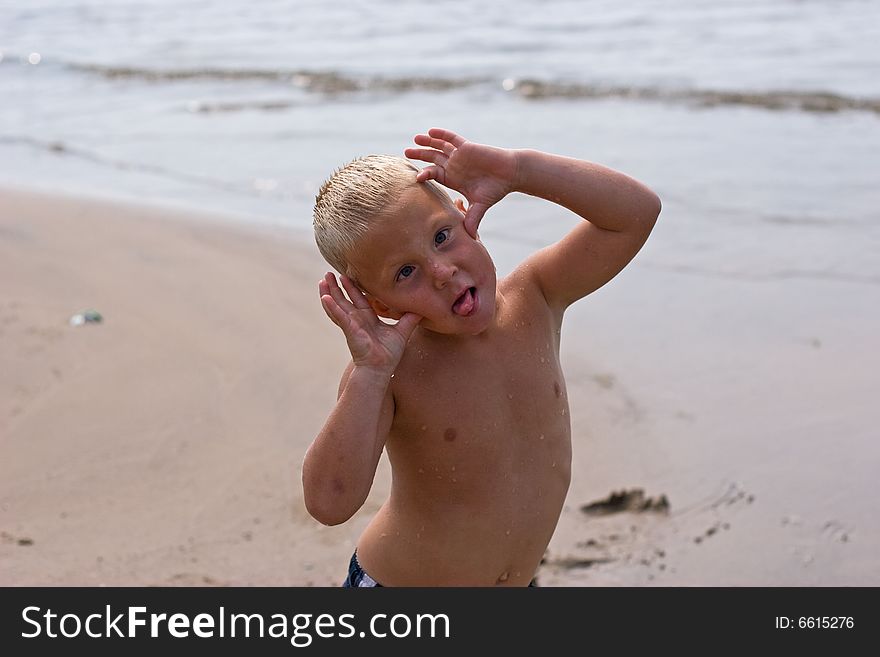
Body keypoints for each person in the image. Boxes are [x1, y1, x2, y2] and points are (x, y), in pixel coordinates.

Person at [304, 128, 661, 586]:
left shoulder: (537, 296)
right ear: (382, 306)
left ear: (464, 213)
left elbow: (635, 214)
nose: (442, 271)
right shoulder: (390, 371)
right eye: (406, 272)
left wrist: (518, 171)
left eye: (442, 236)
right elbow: (329, 503)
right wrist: (370, 375)